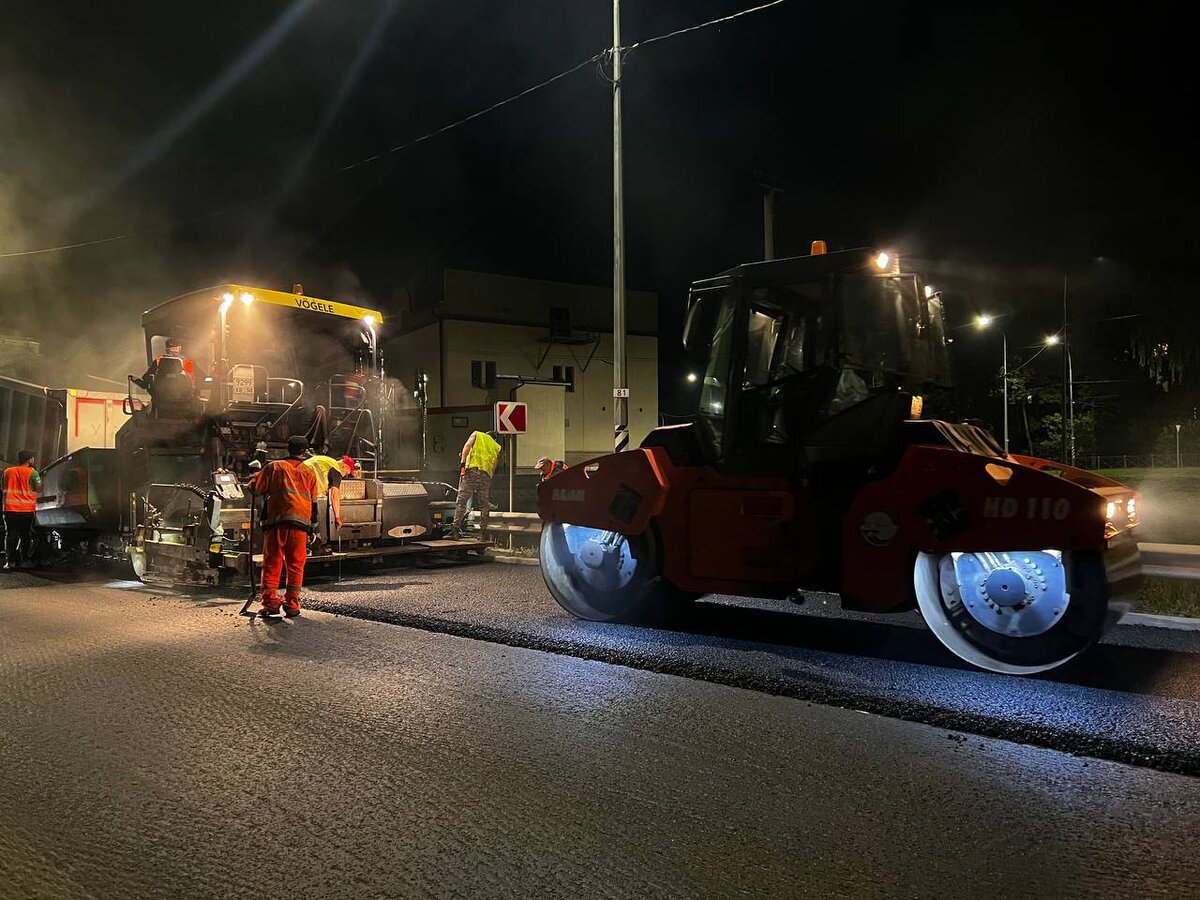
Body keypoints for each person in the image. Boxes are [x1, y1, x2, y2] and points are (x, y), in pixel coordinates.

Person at [245, 435, 319, 617]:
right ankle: (292, 604)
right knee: (295, 564)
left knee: (272, 562)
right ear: (305, 451)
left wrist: (256, 474)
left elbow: (254, 488)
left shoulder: (274, 467)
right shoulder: (309, 472)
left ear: (288, 449)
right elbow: (314, 503)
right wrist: (313, 527)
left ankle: (270, 604)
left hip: (276, 523)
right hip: (300, 524)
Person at [449, 430, 501, 539]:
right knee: (484, 504)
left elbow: (467, 446)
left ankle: (455, 531)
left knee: (461, 501)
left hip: (471, 471)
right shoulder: (496, 446)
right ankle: (483, 533)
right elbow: (494, 463)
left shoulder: (477, 434)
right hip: (486, 475)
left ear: (487, 434)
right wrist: (489, 476)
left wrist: (463, 463)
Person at [2, 450, 41, 570]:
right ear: (30, 460)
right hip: (26, 510)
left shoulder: (7, 472)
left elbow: (4, 487)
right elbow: (38, 488)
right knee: (25, 535)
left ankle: (10, 562)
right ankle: (24, 561)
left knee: (11, 535)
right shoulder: (33, 473)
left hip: (10, 509)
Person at [303, 452, 355, 530]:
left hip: (299, 483)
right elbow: (335, 496)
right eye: (346, 473)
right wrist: (337, 517)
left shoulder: (329, 461)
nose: (343, 476)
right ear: (344, 466)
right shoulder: (336, 470)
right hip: (305, 491)